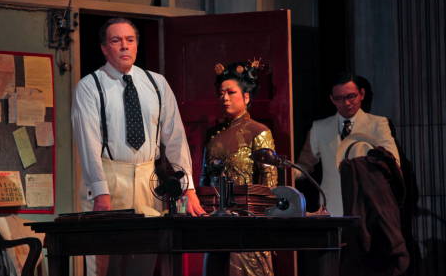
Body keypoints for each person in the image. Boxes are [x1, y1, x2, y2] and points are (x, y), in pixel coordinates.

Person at [71, 17, 205, 276]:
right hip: (110, 175)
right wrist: (101, 192)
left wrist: (188, 188)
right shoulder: (91, 85)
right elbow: (88, 143)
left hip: (147, 177)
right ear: (104, 48)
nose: (124, 46)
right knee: (104, 264)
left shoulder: (156, 83)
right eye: (116, 40)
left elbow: (175, 139)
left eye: (130, 40)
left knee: (142, 261)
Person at [200, 60, 277, 276]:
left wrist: (261, 221)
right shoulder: (213, 135)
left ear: (246, 96)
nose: (224, 98)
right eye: (221, 93)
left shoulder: (259, 132)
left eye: (231, 92)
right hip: (216, 221)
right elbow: (203, 178)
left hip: (249, 223)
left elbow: (269, 184)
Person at [296, 72, 400, 216]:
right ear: (332, 99)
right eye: (339, 98)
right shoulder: (320, 128)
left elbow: (393, 161)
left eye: (351, 96)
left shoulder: (378, 125)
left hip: (369, 205)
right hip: (333, 206)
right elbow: (304, 166)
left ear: (361, 94)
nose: (346, 103)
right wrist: (282, 172)